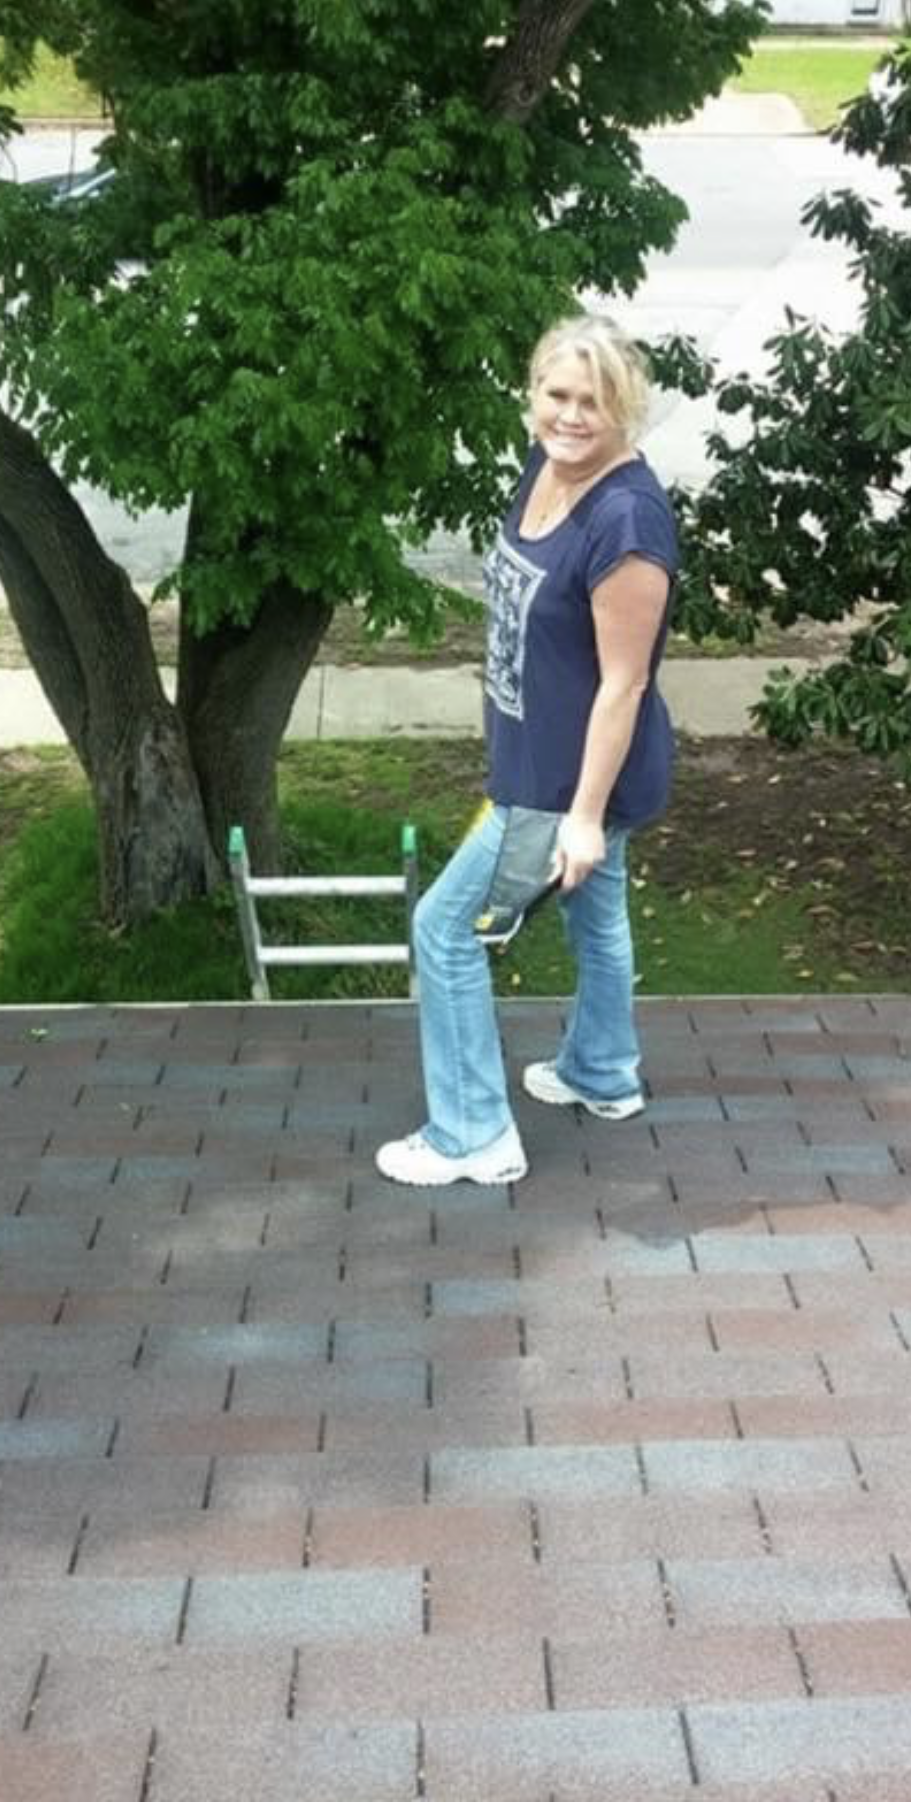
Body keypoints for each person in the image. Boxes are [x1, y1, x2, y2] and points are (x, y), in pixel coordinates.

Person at [376, 312, 678, 1187]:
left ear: (626, 410)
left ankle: (473, 1136)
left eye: (594, 401)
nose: (572, 416)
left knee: (442, 930)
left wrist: (582, 818)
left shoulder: (627, 525)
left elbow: (622, 685)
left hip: (559, 785)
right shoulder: (547, 469)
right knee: (599, 915)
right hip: (545, 760)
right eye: (558, 395)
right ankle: (602, 1073)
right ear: (534, 396)